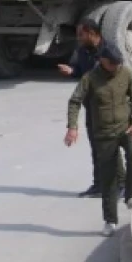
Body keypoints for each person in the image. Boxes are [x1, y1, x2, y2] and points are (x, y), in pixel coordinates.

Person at [64, 42, 132, 237]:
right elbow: (75, 101)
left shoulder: (125, 74)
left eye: (118, 63)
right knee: (108, 180)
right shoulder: (90, 78)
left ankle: (130, 193)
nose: (117, 67)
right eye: (113, 64)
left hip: (125, 128)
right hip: (104, 135)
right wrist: (72, 127)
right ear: (103, 61)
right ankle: (110, 220)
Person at [57, 19, 104, 197]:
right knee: (95, 145)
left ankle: (120, 184)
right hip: (91, 104)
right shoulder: (82, 51)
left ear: (92, 33)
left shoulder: (108, 51)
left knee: (109, 146)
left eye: (81, 34)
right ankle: (98, 184)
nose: (78, 38)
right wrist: (72, 71)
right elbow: (80, 70)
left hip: (108, 106)